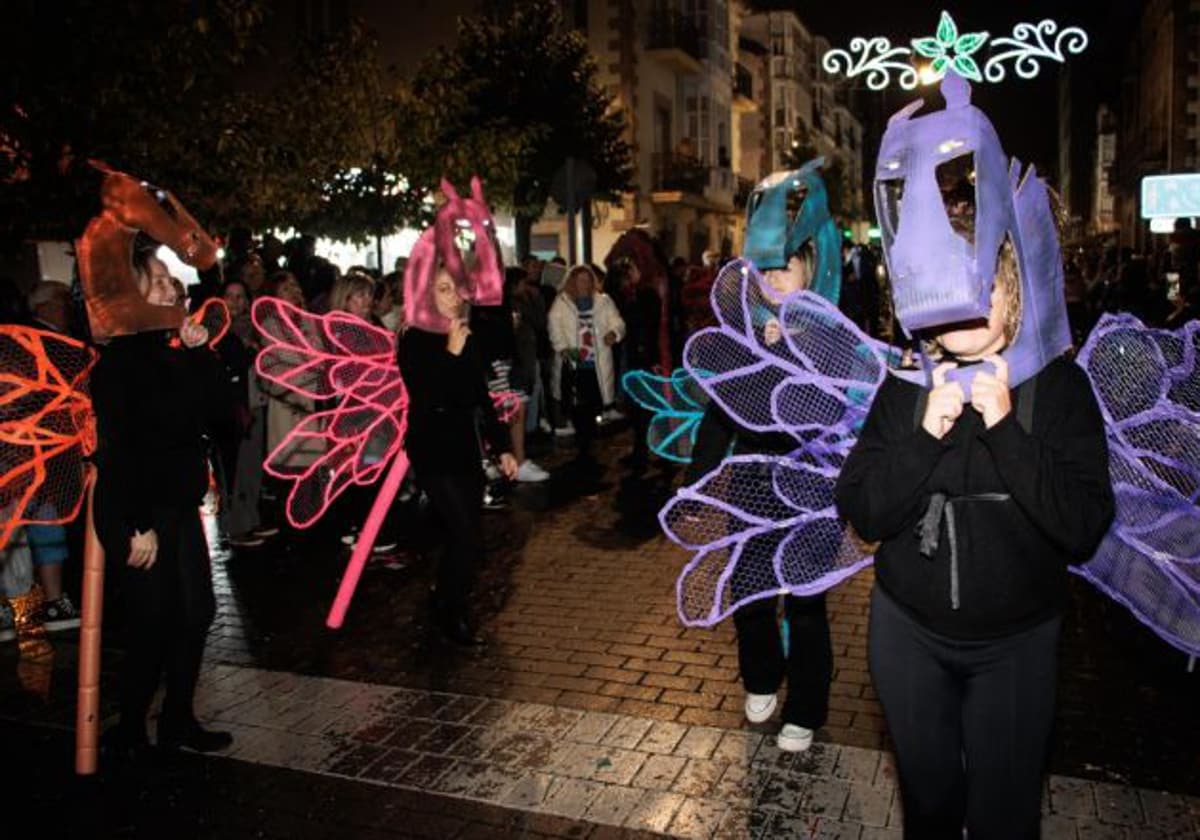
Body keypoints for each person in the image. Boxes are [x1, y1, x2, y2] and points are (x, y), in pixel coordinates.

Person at [836, 72, 1115, 838]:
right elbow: (862, 510)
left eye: (979, 274)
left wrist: (1006, 429)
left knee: (1002, 817)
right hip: (908, 635)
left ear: (1010, 280)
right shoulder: (904, 386)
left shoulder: (1056, 388)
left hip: (1017, 644)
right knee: (928, 806)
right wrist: (924, 431)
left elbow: (1086, 522)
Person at [92, 247, 233, 757]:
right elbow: (116, 447)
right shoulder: (119, 360)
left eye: (171, 280)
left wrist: (200, 354)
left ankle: (177, 719)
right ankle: (129, 727)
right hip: (138, 510)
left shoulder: (178, 352)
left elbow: (222, 416)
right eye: (156, 281)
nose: (170, 288)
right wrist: (132, 523)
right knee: (151, 623)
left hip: (178, 504)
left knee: (196, 611)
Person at [398, 266, 518, 646]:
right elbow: (428, 396)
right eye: (443, 289)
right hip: (431, 447)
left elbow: (480, 398)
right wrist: (450, 352)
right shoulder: (414, 338)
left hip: (464, 447)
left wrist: (503, 448)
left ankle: (443, 596)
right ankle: (452, 611)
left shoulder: (466, 335)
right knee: (464, 533)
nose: (454, 297)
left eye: (456, 289)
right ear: (425, 296)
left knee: (465, 534)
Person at [548, 264, 625, 462]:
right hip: (574, 364)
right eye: (580, 280)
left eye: (588, 279)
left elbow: (618, 323)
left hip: (597, 365)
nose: (585, 283)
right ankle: (583, 445)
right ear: (572, 281)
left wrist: (613, 334)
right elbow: (554, 327)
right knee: (576, 406)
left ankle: (588, 442)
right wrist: (563, 348)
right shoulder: (562, 303)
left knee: (593, 404)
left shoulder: (603, 302)